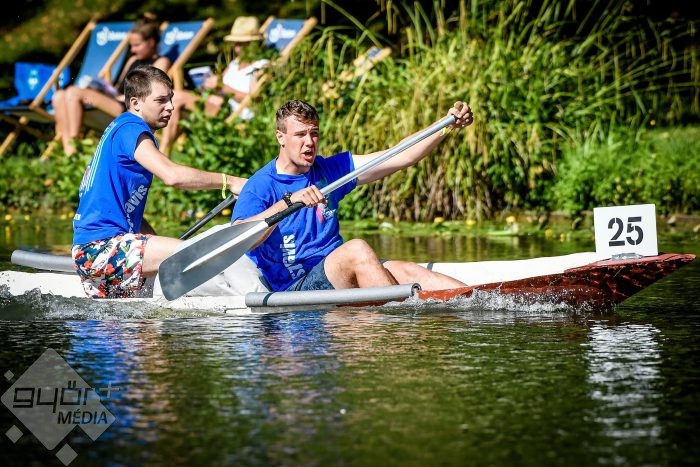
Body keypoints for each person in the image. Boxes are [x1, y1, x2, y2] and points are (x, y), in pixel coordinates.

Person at [230, 99, 474, 292]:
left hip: (337, 271)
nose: (309, 142)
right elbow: (237, 238)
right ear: (280, 137)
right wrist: (288, 202)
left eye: (314, 133)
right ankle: (399, 322)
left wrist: (445, 125)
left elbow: (400, 155)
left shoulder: (329, 169)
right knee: (356, 249)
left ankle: (480, 299)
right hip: (296, 287)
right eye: (300, 135)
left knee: (409, 271)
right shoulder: (259, 185)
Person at [72, 65, 247, 299]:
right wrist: (230, 181)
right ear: (136, 103)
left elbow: (125, 210)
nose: (171, 106)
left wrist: (152, 240)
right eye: (161, 100)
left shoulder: (121, 127)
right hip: (101, 248)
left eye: (171, 99)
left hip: (96, 250)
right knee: (197, 254)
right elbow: (172, 176)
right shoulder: (130, 129)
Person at [52, 13, 171, 156]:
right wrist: (102, 88)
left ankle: (73, 149)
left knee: (73, 93)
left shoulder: (161, 62)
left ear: (151, 42)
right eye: (131, 45)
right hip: (115, 100)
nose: (132, 50)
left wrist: (121, 97)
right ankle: (68, 151)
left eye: (137, 45)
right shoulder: (132, 60)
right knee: (59, 96)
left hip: (130, 107)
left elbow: (153, 94)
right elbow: (120, 86)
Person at [159, 16, 270, 155]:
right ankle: (163, 151)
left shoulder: (261, 66)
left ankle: (162, 152)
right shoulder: (235, 63)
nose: (238, 48)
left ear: (256, 43)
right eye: (236, 43)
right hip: (219, 105)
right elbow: (221, 86)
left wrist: (221, 87)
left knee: (176, 98)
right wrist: (208, 86)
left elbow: (255, 100)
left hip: (235, 113)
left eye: (244, 44)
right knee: (176, 101)